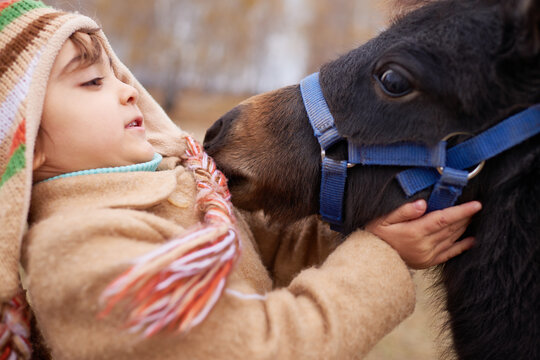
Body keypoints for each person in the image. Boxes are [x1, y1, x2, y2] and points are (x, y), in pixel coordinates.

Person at [0, 1, 481, 359]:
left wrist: (384, 211)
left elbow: (271, 249)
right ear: (26, 143)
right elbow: (261, 348)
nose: (129, 91)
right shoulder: (80, 254)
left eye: (118, 73)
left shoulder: (176, 188)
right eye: (91, 83)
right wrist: (382, 255)